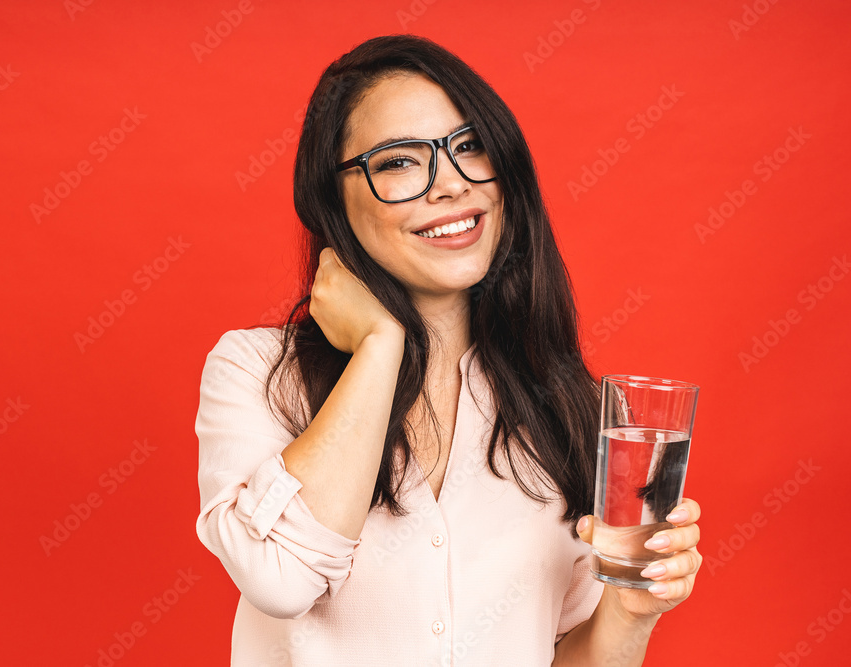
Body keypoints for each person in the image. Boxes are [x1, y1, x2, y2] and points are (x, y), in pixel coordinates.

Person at [195, 34, 703, 666]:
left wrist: (628, 613)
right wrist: (381, 345)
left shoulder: (568, 404)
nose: (452, 185)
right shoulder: (256, 374)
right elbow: (280, 578)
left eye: (469, 147)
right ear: (332, 200)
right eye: (399, 162)